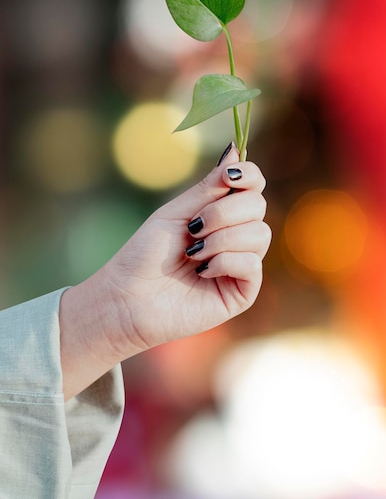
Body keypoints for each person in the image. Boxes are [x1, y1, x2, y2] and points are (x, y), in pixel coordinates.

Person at [0, 141, 271, 498]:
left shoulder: (235, 447)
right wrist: (116, 315)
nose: (187, 344)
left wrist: (118, 317)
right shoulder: (114, 413)